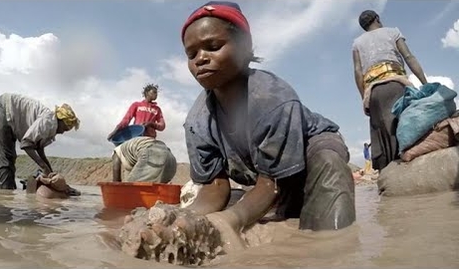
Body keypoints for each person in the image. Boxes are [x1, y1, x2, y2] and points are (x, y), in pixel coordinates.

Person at [176, 0, 356, 247]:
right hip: (269, 175)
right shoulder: (197, 122)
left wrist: (230, 220)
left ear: (244, 47)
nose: (201, 59)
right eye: (191, 54)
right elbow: (215, 188)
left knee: (328, 169)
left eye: (213, 46)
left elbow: (270, 183)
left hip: (312, 150)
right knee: (284, 211)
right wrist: (180, 220)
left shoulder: (273, 100)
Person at [352, 10, 428, 171]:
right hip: (397, 85)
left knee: (382, 136)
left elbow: (358, 72)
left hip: (374, 93)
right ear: (377, 18)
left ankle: (388, 176)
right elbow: (409, 57)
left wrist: (365, 97)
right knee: (408, 129)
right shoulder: (393, 32)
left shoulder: (357, 43)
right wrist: (425, 83)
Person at [0, 93, 80, 190]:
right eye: (65, 129)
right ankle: (3, 197)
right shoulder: (48, 122)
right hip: (3, 107)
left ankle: (8, 190)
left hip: (9, 113)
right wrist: (44, 167)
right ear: (61, 121)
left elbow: (39, 151)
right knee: (6, 158)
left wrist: (51, 174)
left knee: (10, 158)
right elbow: (26, 144)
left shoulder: (49, 126)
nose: (63, 132)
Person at [112, 136, 177, 183]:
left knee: (130, 187)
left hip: (152, 153)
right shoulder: (131, 150)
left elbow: (116, 179)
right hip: (170, 159)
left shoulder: (116, 151)